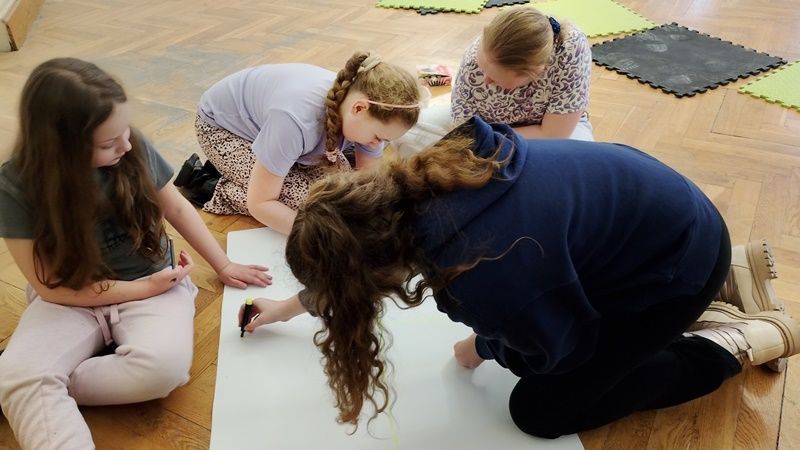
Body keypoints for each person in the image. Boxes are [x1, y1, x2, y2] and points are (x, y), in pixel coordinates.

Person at [244, 116, 800, 438]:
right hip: (668, 221)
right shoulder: (422, 176)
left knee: (541, 409)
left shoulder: (484, 277)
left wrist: (487, 345)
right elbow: (350, 250)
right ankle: (731, 276)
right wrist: (291, 307)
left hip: (678, 268)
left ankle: (733, 342)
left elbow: (558, 352)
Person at [0, 58, 272, 449]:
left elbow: (176, 207)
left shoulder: (129, 147)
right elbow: (51, 288)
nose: (126, 145)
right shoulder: (14, 186)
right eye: (108, 143)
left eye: (125, 130)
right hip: (71, 297)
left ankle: (28, 386)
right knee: (22, 374)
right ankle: (27, 383)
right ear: (61, 147)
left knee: (163, 371)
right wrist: (143, 289)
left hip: (154, 283)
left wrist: (223, 263)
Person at [178, 51, 422, 235]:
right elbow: (261, 203)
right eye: (378, 137)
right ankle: (206, 184)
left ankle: (265, 170)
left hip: (280, 134)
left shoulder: (358, 112)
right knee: (308, 207)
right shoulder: (295, 119)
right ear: (359, 108)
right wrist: (322, 235)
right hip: (224, 128)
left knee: (338, 195)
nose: (378, 144)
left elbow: (367, 182)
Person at [392, 7, 593, 158]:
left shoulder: (570, 49)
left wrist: (490, 142)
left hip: (555, 131)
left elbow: (553, 134)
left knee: (575, 167)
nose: (485, 79)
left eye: (494, 79)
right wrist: (480, 143)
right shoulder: (474, 61)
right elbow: (466, 132)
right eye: (482, 68)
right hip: (486, 128)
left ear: (534, 73)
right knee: (404, 131)